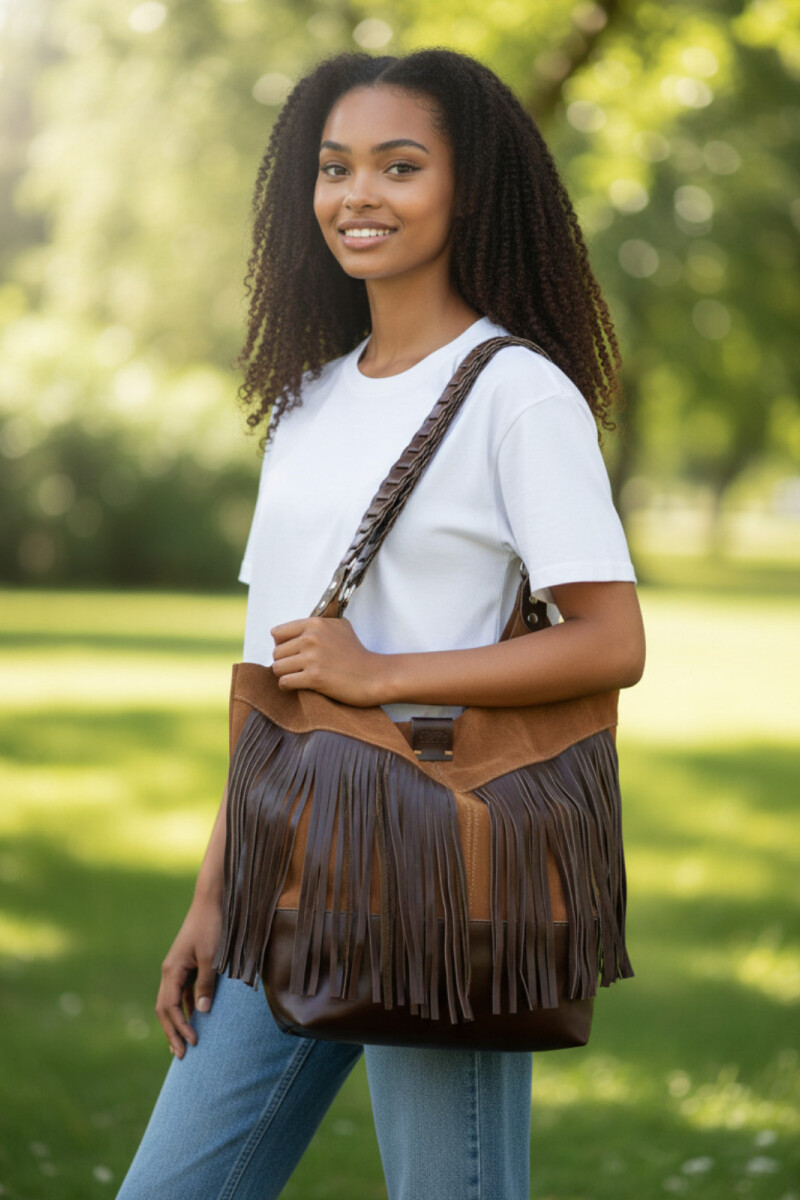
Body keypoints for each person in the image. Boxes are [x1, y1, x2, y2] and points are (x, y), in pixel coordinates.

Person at [116, 46, 645, 1200]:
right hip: (281, 877)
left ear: (469, 189)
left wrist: (380, 671)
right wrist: (213, 895)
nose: (358, 195)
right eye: (334, 168)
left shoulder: (515, 392)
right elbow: (271, 679)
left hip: (437, 878)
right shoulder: (303, 403)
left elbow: (612, 643)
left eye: (399, 167)